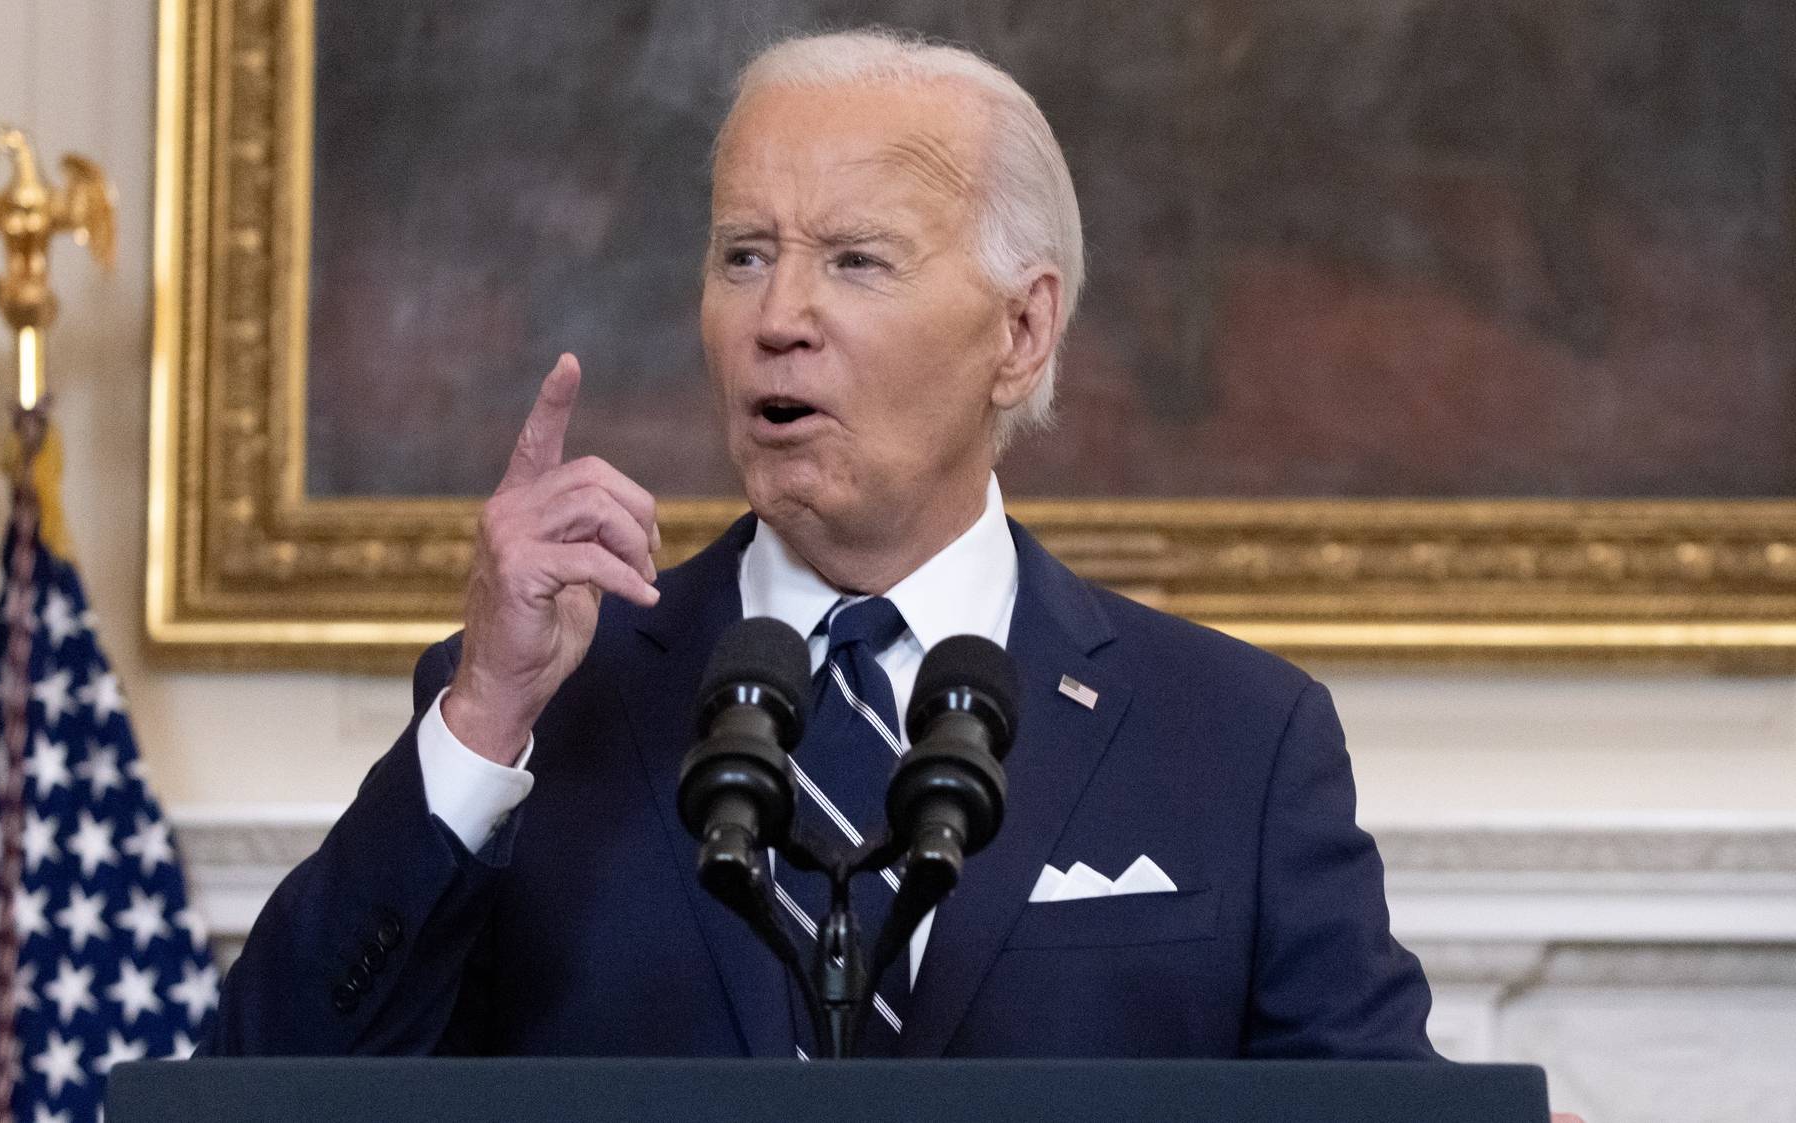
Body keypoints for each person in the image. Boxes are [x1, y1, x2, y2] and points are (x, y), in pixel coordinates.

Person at [203, 27, 1439, 1062]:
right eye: (743, 256)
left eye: (854, 261)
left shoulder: (1232, 736)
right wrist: (481, 718)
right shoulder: (545, 705)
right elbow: (260, 1086)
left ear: (1019, 329)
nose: (777, 319)